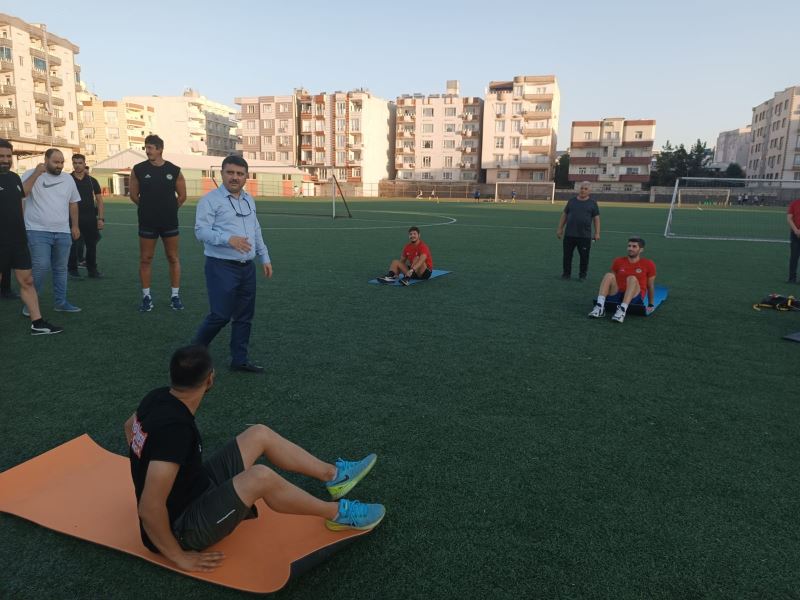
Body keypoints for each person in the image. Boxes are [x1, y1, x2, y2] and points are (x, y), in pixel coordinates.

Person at [124, 345, 384, 573]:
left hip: (196, 487)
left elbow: (129, 427)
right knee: (260, 477)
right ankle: (339, 514)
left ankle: (334, 476)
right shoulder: (175, 432)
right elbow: (149, 507)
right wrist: (179, 557)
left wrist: (150, 460)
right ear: (210, 379)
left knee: (258, 433)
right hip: (182, 529)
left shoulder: (158, 396)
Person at [192, 155, 272, 374]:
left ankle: (240, 359)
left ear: (246, 176)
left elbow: (255, 229)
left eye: (239, 173)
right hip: (221, 266)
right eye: (230, 172)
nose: (235, 177)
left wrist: (264, 256)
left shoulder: (248, 199)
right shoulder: (210, 201)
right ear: (222, 174)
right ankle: (193, 353)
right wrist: (228, 239)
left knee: (245, 316)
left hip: (247, 267)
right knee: (220, 315)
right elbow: (200, 231)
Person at [0, 139, 62, 334]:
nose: (5, 160)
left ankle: (38, 323)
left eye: (8, 156)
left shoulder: (13, 178)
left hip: (17, 240)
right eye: (1, 156)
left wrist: (36, 173)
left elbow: (21, 196)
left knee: (27, 281)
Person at [129, 134, 187, 312]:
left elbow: (182, 196)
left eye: (150, 148)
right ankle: (146, 297)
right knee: (146, 259)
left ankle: (175, 297)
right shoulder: (138, 169)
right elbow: (133, 195)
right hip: (147, 222)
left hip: (169, 222)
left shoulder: (174, 170)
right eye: (146, 148)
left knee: (173, 258)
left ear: (160, 149)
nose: (147, 151)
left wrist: (169, 209)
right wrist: (148, 208)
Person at [21, 148, 82, 313]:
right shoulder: (30, 173)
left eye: (62, 162)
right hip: (37, 230)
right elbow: (22, 193)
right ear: (45, 160)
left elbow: (73, 202)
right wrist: (36, 174)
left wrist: (74, 225)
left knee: (61, 269)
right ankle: (30, 304)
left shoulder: (68, 179)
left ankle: (60, 302)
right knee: (41, 266)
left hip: (63, 232)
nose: (60, 165)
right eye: (56, 162)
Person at [588, 237, 656, 323]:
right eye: (629, 246)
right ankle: (599, 307)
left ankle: (622, 311)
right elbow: (612, 281)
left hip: (634, 297)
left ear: (641, 249)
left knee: (632, 278)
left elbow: (650, 286)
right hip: (617, 294)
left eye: (634, 246)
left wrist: (651, 304)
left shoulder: (648, 264)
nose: (630, 248)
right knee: (609, 275)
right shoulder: (618, 261)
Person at [67, 155, 104, 279]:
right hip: (72, 219)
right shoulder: (67, 179)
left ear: (84, 164)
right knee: (72, 246)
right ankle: (72, 271)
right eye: (75, 163)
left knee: (91, 245)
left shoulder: (92, 181)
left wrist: (101, 218)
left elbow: (99, 200)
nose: (77, 165)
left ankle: (92, 271)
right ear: (72, 164)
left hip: (90, 219)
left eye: (80, 163)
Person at [556, 181, 600, 281]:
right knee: (567, 256)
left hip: (584, 236)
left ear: (589, 191)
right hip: (569, 234)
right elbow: (564, 215)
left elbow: (596, 219)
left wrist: (597, 233)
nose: (583, 190)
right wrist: (560, 228)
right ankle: (566, 274)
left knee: (584, 257)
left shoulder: (593, 203)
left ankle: (582, 275)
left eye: (585, 189)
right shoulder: (571, 201)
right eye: (581, 188)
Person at [787, 196, 800, 283]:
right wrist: (796, 230)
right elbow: (789, 218)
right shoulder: (794, 203)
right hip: (795, 234)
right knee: (794, 257)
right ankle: (792, 279)